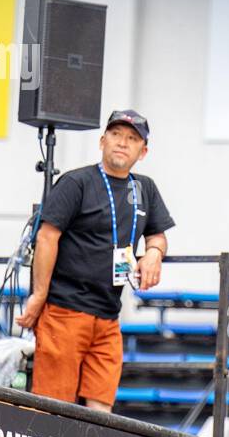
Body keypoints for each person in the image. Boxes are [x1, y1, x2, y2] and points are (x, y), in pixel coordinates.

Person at [16, 110, 174, 412]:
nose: (122, 143)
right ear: (102, 141)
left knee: (102, 412)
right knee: (52, 407)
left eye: (131, 139)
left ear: (143, 152)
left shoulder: (144, 188)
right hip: (65, 311)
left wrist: (154, 252)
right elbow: (47, 237)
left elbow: (158, 235)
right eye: (116, 135)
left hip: (108, 318)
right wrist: (39, 295)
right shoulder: (77, 182)